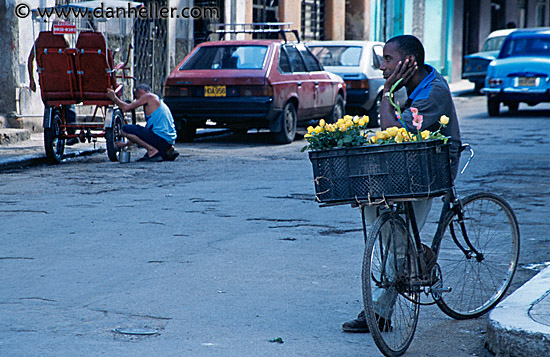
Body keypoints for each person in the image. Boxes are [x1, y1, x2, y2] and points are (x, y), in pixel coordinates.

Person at [342, 34, 461, 333]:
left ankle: (381, 311)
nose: (382, 66)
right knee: (378, 214)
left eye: (388, 59)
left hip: (431, 169)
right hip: (408, 162)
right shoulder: (409, 84)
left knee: (399, 234)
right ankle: (417, 255)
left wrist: (385, 93)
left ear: (410, 62)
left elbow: (392, 129)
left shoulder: (432, 92)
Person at [28, 28, 79, 145]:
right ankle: (72, 131)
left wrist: (32, 80)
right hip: (64, 83)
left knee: (49, 104)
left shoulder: (40, 41)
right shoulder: (63, 42)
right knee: (69, 104)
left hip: (47, 82)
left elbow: (30, 59)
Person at [106, 84, 179, 162]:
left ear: (140, 92)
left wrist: (114, 98)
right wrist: (125, 144)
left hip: (161, 138)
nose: (137, 100)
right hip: (168, 141)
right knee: (140, 131)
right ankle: (167, 151)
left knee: (124, 129)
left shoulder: (148, 97)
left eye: (136, 97)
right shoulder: (157, 100)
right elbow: (140, 136)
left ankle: (151, 150)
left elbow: (126, 108)